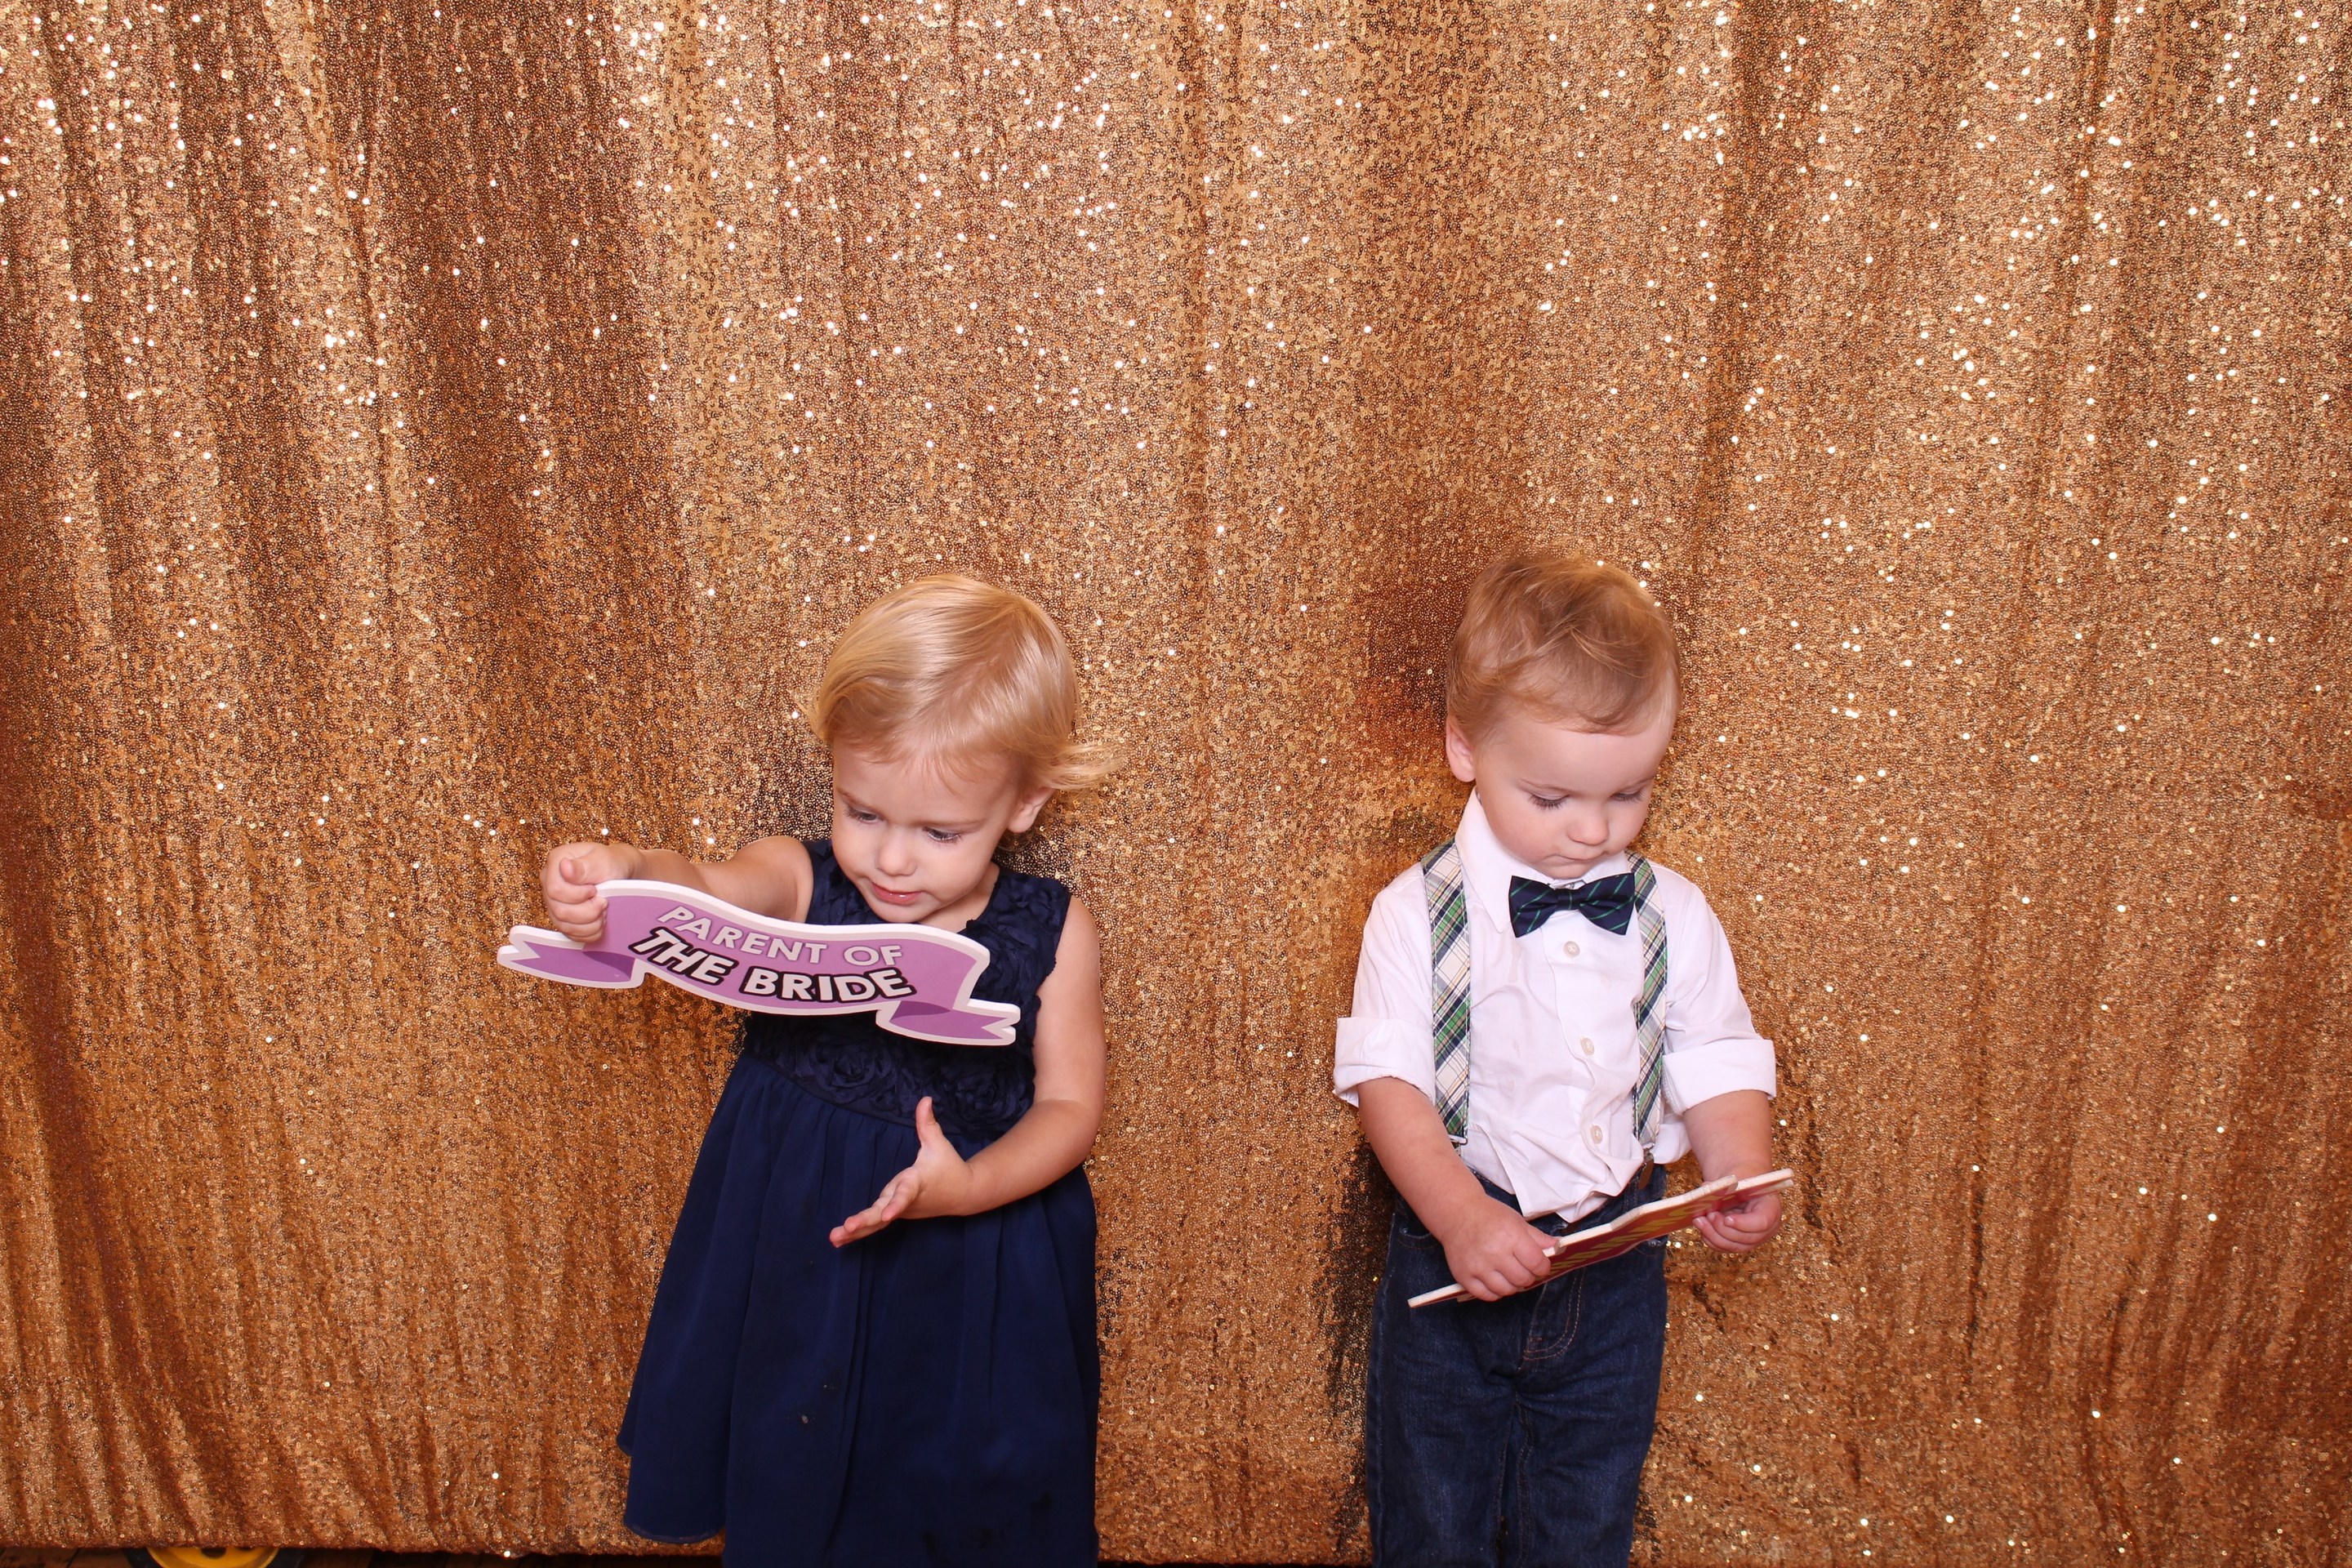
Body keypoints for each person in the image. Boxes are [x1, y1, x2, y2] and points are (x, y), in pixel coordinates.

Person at [537, 575, 1113, 1566]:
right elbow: (705, 888)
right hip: (795, 1238)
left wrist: (971, 1185)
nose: (891, 861)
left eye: (939, 833)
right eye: (864, 812)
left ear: (1025, 803)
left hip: (967, 1255)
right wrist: (623, 873)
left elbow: (1071, 1107)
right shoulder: (800, 879)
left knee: (940, 1487)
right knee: (792, 1469)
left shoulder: (1055, 932)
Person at [1336, 550, 1783, 1567]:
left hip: (1616, 1266)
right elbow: (1390, 1086)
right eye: (1550, 798)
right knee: (1432, 1513)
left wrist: (1735, 1166)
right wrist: (1460, 1218)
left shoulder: (1675, 912)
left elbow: (1714, 1053)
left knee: (1587, 1512)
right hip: (1457, 1258)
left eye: (1628, 794)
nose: (1591, 830)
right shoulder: (1413, 914)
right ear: (1463, 748)